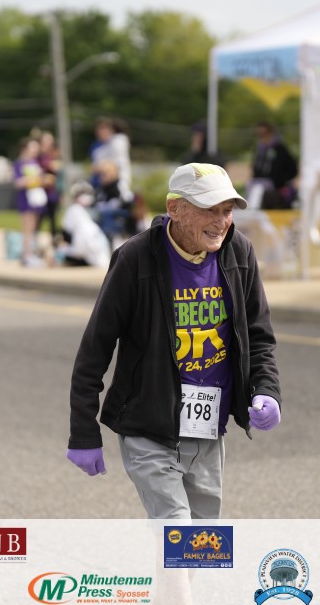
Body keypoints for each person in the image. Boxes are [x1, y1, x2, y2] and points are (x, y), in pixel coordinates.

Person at [66, 162, 283, 520]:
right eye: (209, 210)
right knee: (176, 527)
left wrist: (267, 390)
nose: (221, 221)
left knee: (204, 541)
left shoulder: (239, 252)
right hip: (149, 427)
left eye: (227, 210)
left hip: (208, 429)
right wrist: (83, 431)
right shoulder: (135, 258)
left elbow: (259, 336)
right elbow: (95, 349)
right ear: (174, 209)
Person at [59, 181, 111, 268]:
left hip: (88, 249)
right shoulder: (89, 211)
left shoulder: (74, 209)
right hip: (100, 251)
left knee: (61, 251)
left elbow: (66, 232)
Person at [12, 138, 47, 267]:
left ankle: (30, 253)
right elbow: (17, 183)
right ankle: (26, 255)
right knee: (27, 229)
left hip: (35, 198)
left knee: (33, 229)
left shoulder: (34, 163)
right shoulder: (19, 164)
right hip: (25, 198)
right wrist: (31, 179)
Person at [251, 121, 298, 209]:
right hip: (260, 187)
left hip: (276, 191)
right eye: (259, 134)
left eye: (263, 134)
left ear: (270, 133)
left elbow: (293, 170)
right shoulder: (259, 150)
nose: (261, 137)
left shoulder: (280, 149)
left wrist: (279, 182)